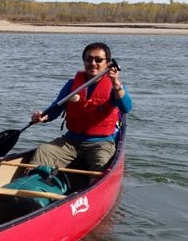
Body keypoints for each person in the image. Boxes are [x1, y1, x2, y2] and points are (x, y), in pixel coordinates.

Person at [25, 42, 132, 176]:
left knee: (102, 164)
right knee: (43, 150)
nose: (93, 63)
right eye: (88, 59)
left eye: (98, 60)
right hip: (71, 141)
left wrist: (116, 83)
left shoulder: (113, 86)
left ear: (108, 63)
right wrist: (44, 117)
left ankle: (94, 190)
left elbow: (126, 107)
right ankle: (29, 184)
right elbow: (56, 108)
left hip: (100, 143)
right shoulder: (72, 84)